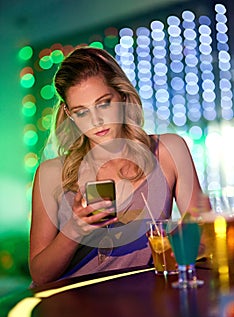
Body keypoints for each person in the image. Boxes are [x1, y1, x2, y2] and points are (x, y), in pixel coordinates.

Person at [29, 46, 210, 286]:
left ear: (122, 95)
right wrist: (75, 230)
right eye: (81, 112)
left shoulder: (168, 150)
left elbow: (206, 235)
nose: (96, 121)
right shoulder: (51, 173)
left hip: (144, 303)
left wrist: (178, 243)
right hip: (74, 307)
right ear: (69, 114)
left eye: (103, 104)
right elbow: (40, 275)